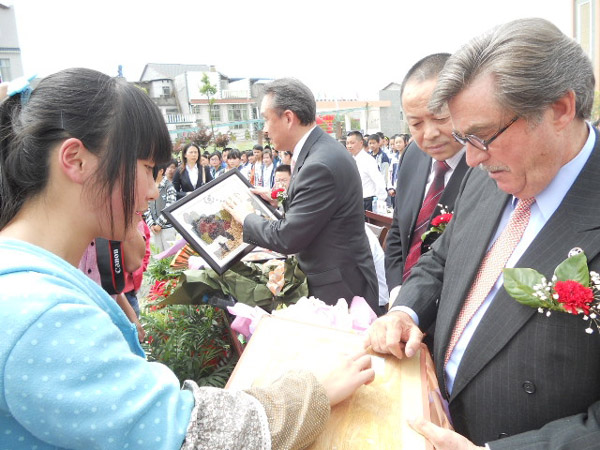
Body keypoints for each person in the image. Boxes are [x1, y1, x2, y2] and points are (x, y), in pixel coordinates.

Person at [0, 68, 375, 450]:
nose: (152, 191)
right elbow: (181, 433)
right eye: (147, 169)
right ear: (76, 161)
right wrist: (313, 393)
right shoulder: (45, 317)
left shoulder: (28, 284)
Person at [366, 18, 600, 449]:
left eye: (483, 136)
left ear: (561, 109)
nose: (470, 159)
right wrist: (406, 313)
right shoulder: (488, 175)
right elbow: (442, 260)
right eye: (463, 137)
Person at [226, 78, 381, 314]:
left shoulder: (319, 163)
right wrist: (279, 198)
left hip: (339, 290)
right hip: (339, 277)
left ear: (288, 118)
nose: (264, 130)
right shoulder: (319, 150)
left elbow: (288, 238)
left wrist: (246, 217)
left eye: (267, 119)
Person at [384, 53, 468, 308]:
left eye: (441, 117)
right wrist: (398, 290)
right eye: (416, 123)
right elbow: (399, 230)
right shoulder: (413, 155)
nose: (429, 134)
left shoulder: (489, 167)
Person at [346, 130, 387, 212]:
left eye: (352, 143)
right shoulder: (351, 159)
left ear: (361, 143)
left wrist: (380, 200)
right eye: (347, 143)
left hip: (367, 201)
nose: (349, 146)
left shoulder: (368, 160)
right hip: (356, 200)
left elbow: (379, 181)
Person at [144, 160, 177, 252]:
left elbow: (170, 206)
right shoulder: (148, 186)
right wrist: (151, 224)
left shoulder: (169, 186)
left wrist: (159, 224)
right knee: (156, 256)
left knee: (169, 254)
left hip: (167, 228)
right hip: (153, 229)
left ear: (161, 171)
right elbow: (146, 206)